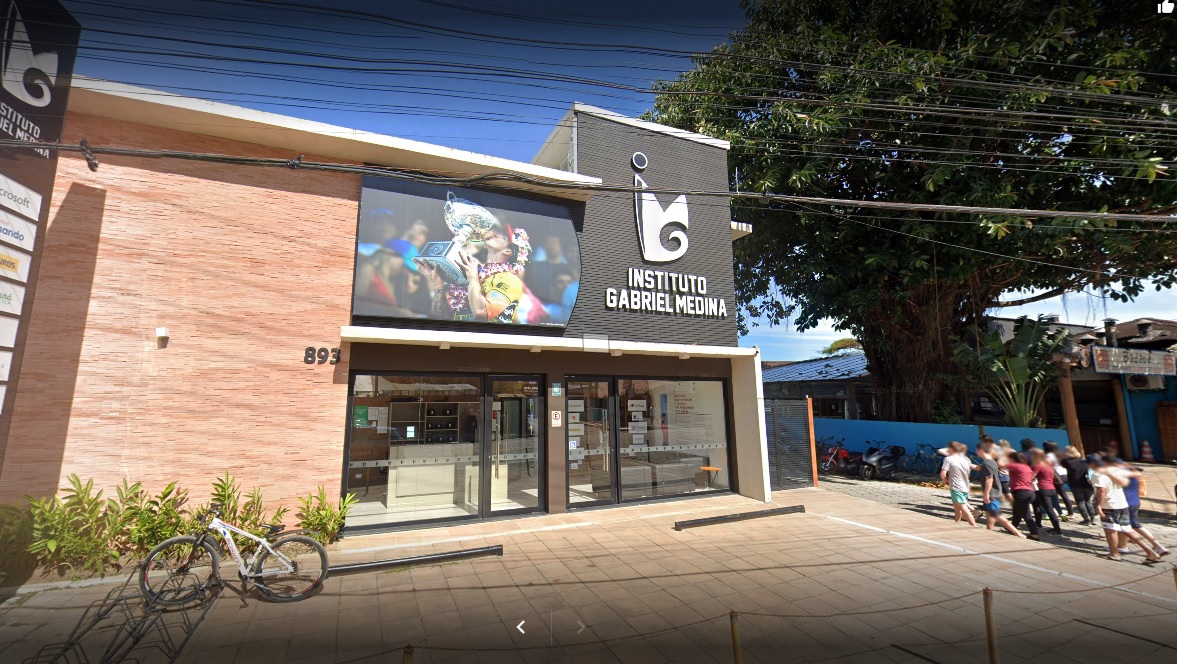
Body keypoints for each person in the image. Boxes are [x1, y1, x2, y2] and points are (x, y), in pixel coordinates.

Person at [1089, 454, 1162, 564]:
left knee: (1110, 531)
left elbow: (1101, 491)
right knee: (1127, 530)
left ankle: (1114, 554)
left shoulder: (1098, 474)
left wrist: (1098, 504)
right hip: (1122, 504)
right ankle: (1150, 552)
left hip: (1109, 505)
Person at [1115, 459, 1170, 557]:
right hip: (1135, 502)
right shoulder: (1134, 475)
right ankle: (1122, 546)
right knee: (1128, 525)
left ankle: (1157, 546)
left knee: (1131, 526)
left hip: (1126, 503)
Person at [977, 440, 1024, 538]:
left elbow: (989, 479)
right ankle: (989, 532)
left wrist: (986, 494)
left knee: (997, 515)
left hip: (992, 494)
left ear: (981, 450)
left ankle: (1018, 533)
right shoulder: (992, 462)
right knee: (989, 514)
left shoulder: (987, 463)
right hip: (995, 492)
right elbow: (978, 468)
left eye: (977, 450)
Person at [940, 441, 978, 527]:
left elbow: (943, 474)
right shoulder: (966, 459)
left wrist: (945, 480)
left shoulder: (948, 459)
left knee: (964, 508)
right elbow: (968, 475)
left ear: (951, 449)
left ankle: (974, 526)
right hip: (965, 486)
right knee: (957, 508)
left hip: (956, 487)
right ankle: (957, 523)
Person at [1006, 452, 1041, 540]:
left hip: (1021, 493)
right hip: (1029, 492)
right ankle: (1012, 528)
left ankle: (1034, 534)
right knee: (1017, 512)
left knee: (1026, 515)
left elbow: (1001, 465)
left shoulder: (1015, 465)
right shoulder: (1026, 467)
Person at [1060, 446, 1096, 526]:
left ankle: (1086, 519)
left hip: (1075, 484)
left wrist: (1063, 456)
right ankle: (1093, 518)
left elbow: (1061, 462)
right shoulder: (1085, 461)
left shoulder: (1067, 462)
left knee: (1080, 502)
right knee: (1088, 501)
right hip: (1088, 484)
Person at [1030, 448, 1062, 535]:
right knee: (1046, 508)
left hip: (1043, 489)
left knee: (1049, 510)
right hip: (1052, 489)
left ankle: (1057, 529)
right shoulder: (1049, 466)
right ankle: (1040, 523)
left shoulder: (1037, 466)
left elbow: (1031, 477)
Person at [1042, 441, 1075, 520]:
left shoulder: (1047, 456)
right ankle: (1070, 512)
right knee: (1063, 494)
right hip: (1064, 474)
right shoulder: (1061, 454)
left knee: (1055, 495)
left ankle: (1058, 511)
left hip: (1056, 476)